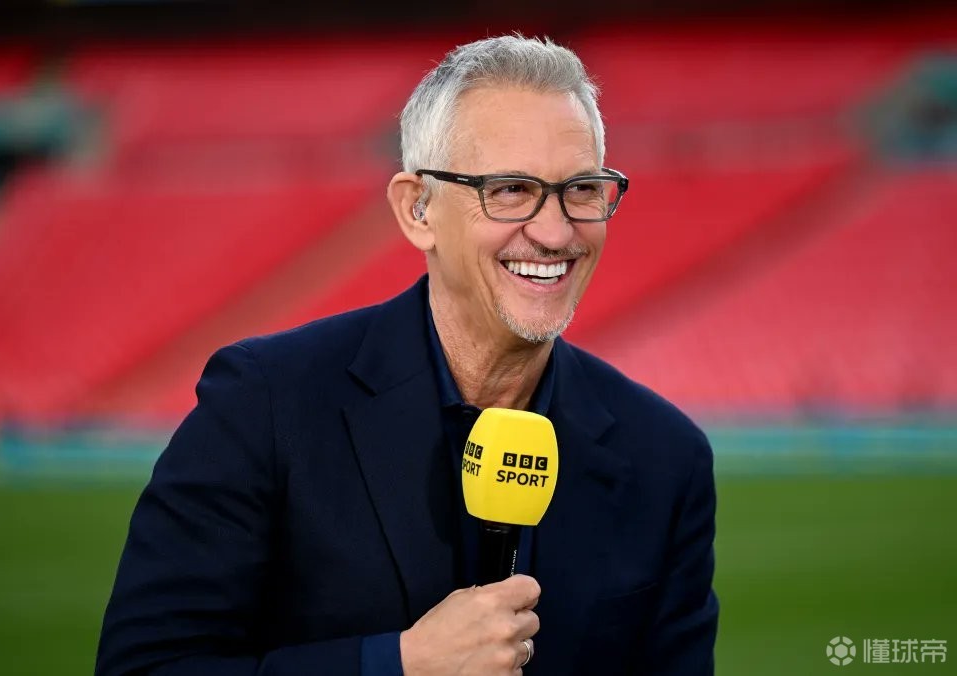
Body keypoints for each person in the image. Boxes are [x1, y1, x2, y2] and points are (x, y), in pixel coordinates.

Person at [97, 35, 718, 676]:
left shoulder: (666, 458)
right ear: (417, 209)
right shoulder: (265, 404)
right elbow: (144, 668)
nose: (556, 230)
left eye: (581, 189)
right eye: (510, 189)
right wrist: (398, 665)